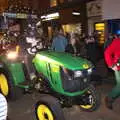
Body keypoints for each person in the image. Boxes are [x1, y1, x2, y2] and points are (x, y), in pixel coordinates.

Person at [104, 35, 120, 109]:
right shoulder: (118, 41)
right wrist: (111, 65)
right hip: (118, 67)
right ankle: (109, 98)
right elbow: (107, 52)